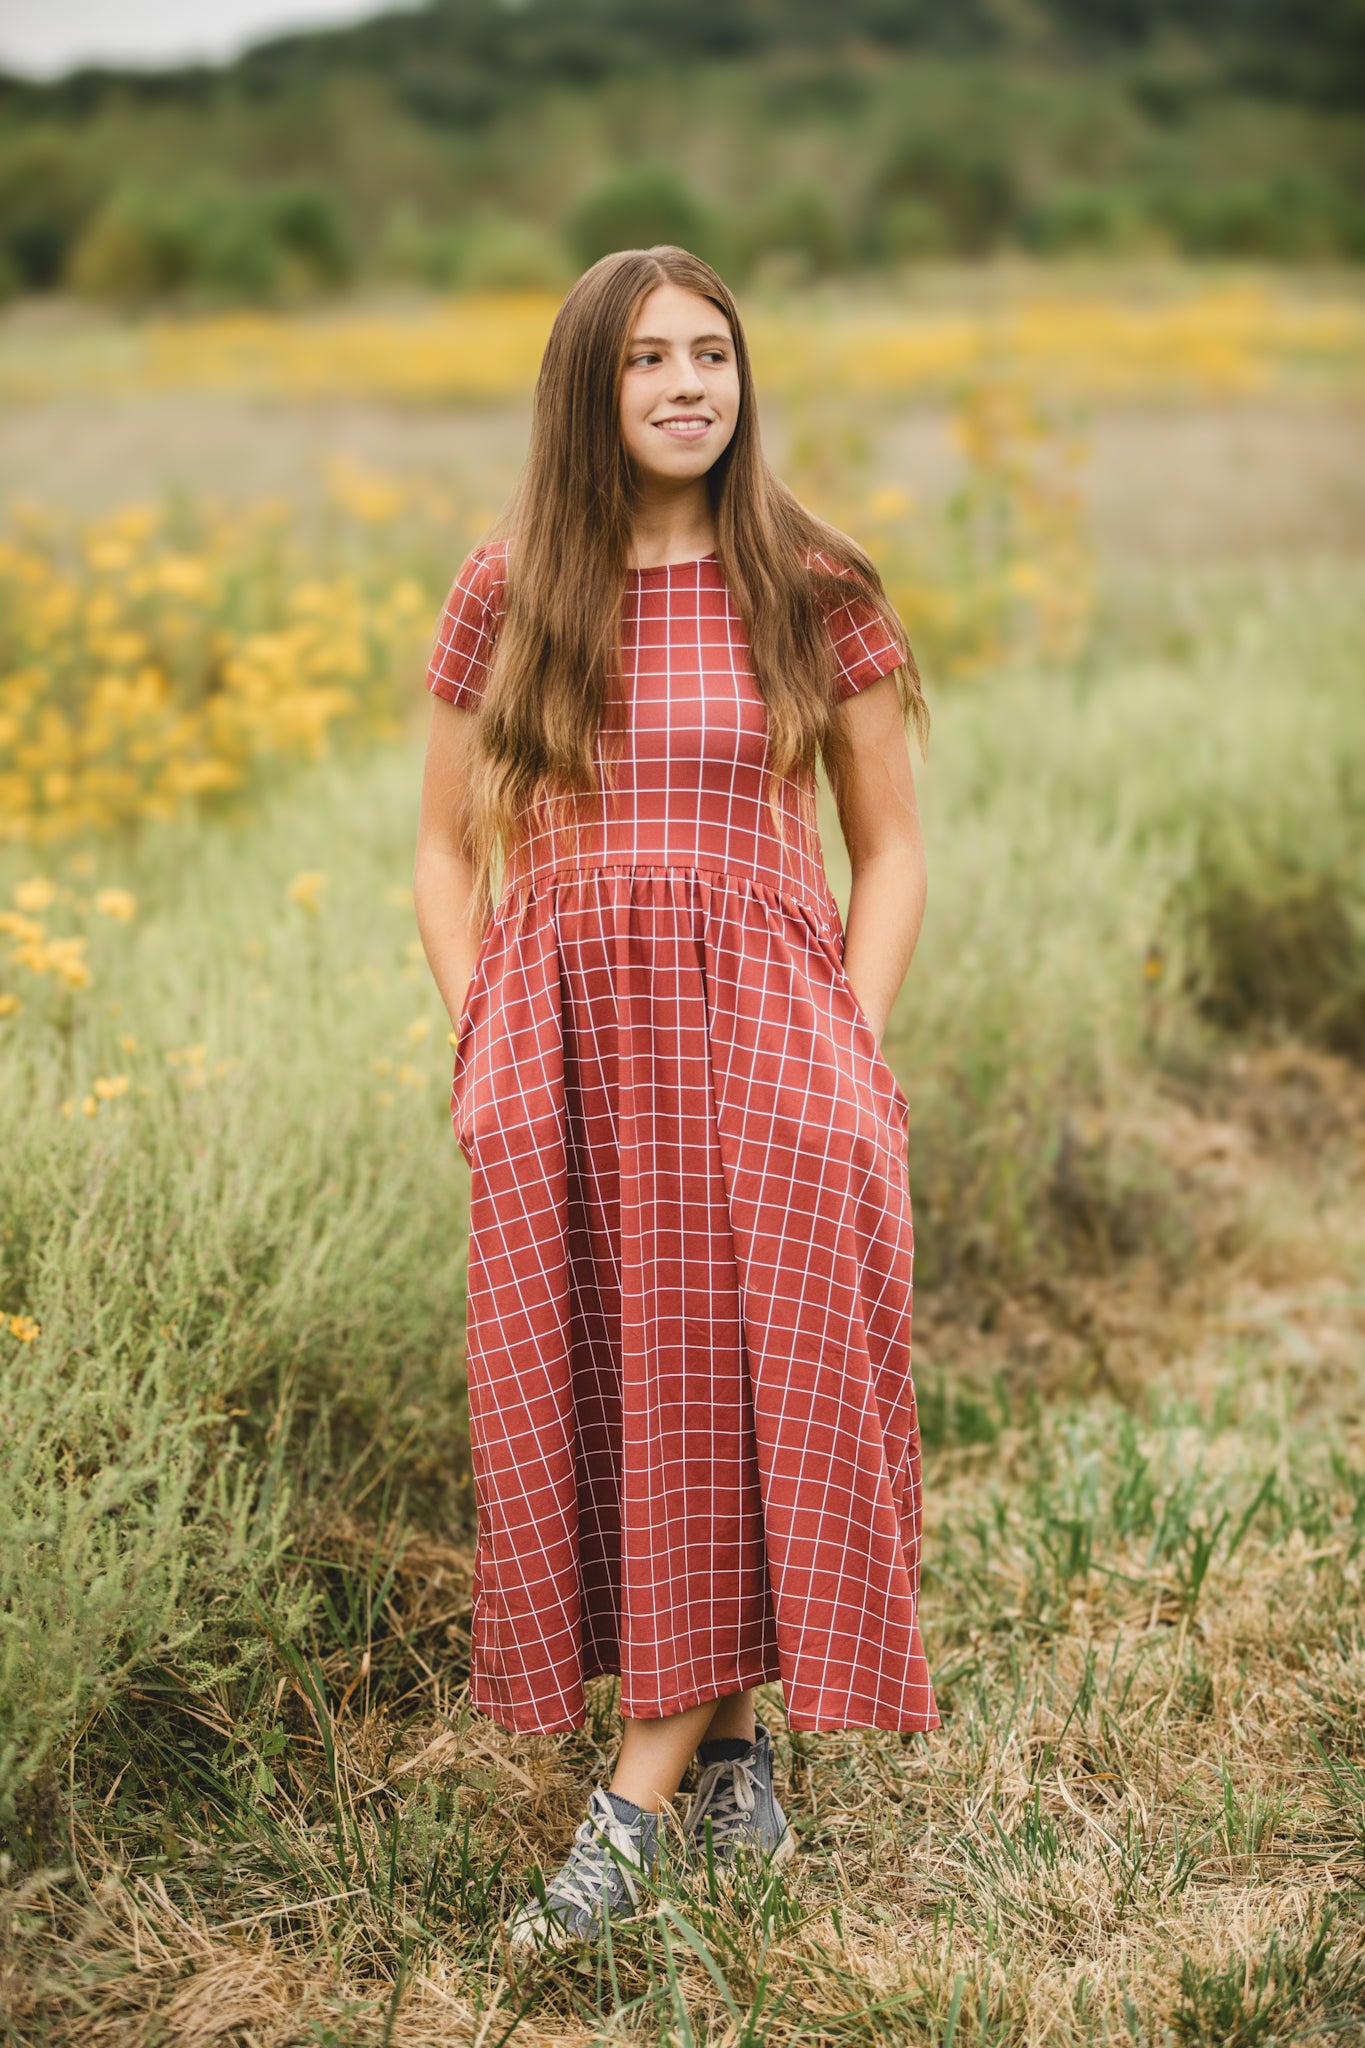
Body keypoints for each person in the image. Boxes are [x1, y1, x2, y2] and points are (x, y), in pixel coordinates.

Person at [413, 244, 938, 1951]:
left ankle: (625, 1818)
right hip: (568, 1056)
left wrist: (844, 1048)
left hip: (770, 1047)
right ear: (590, 386)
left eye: (711, 352)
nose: (688, 385)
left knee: (742, 1383)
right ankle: (728, 1756)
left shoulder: (809, 578)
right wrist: (485, 1047)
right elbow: (442, 852)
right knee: (636, 1392)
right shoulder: (508, 584)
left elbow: (889, 847)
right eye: (647, 359)